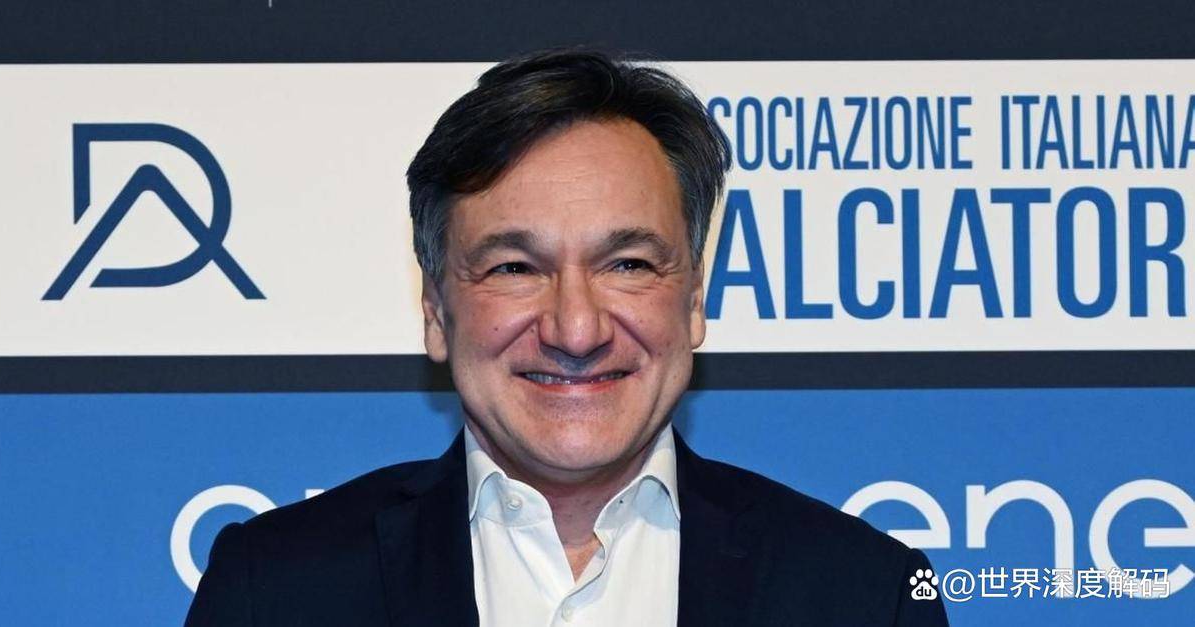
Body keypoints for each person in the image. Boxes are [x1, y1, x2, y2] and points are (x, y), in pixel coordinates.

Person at [185, 48, 950, 627]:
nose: (576, 329)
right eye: (515, 267)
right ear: (435, 311)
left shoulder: (867, 595)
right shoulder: (273, 590)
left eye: (627, 263)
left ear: (692, 300)